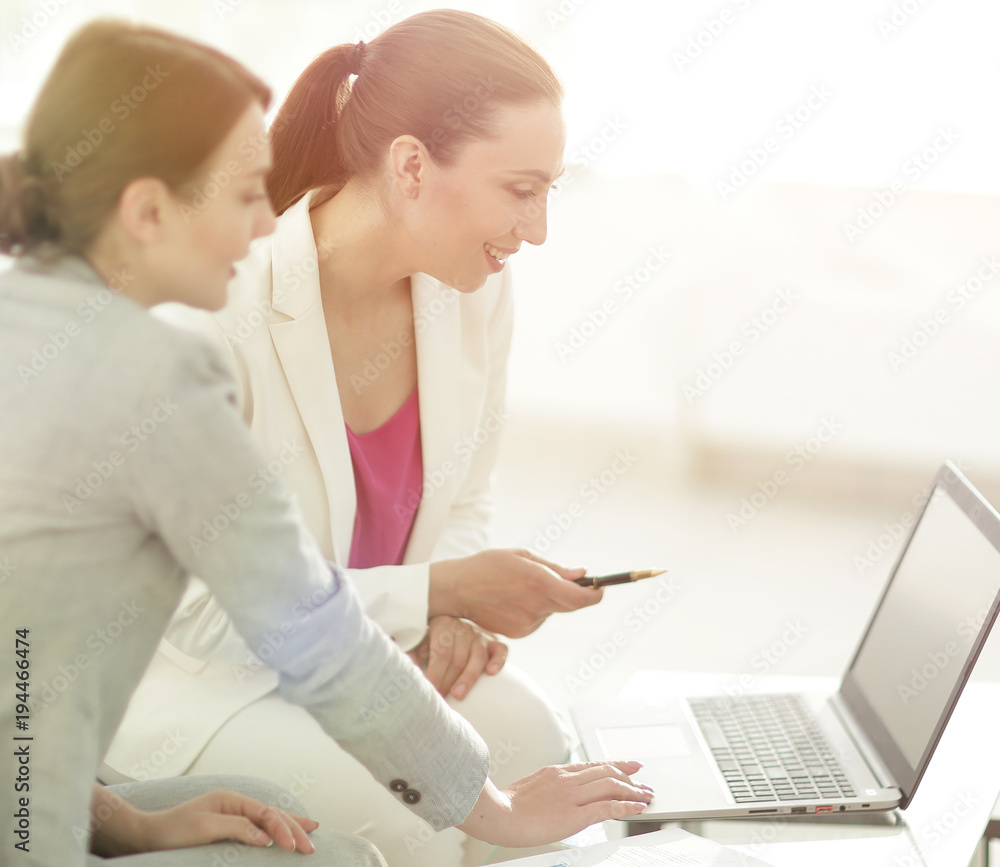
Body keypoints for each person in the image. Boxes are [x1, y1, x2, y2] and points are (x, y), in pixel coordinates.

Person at [0, 19, 651, 867]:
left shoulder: (470, 290)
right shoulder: (178, 343)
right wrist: (483, 792)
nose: (265, 227)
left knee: (529, 737)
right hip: (165, 695)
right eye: (240, 199)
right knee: (416, 830)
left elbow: (449, 506)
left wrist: (439, 610)